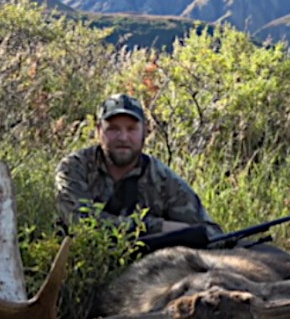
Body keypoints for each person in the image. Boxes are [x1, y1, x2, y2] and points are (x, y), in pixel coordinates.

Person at [54, 93, 223, 246]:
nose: (123, 137)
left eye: (131, 129)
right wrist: (156, 226)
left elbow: (212, 234)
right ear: (98, 131)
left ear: (146, 132)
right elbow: (81, 223)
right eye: (113, 129)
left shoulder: (162, 179)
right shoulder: (74, 168)